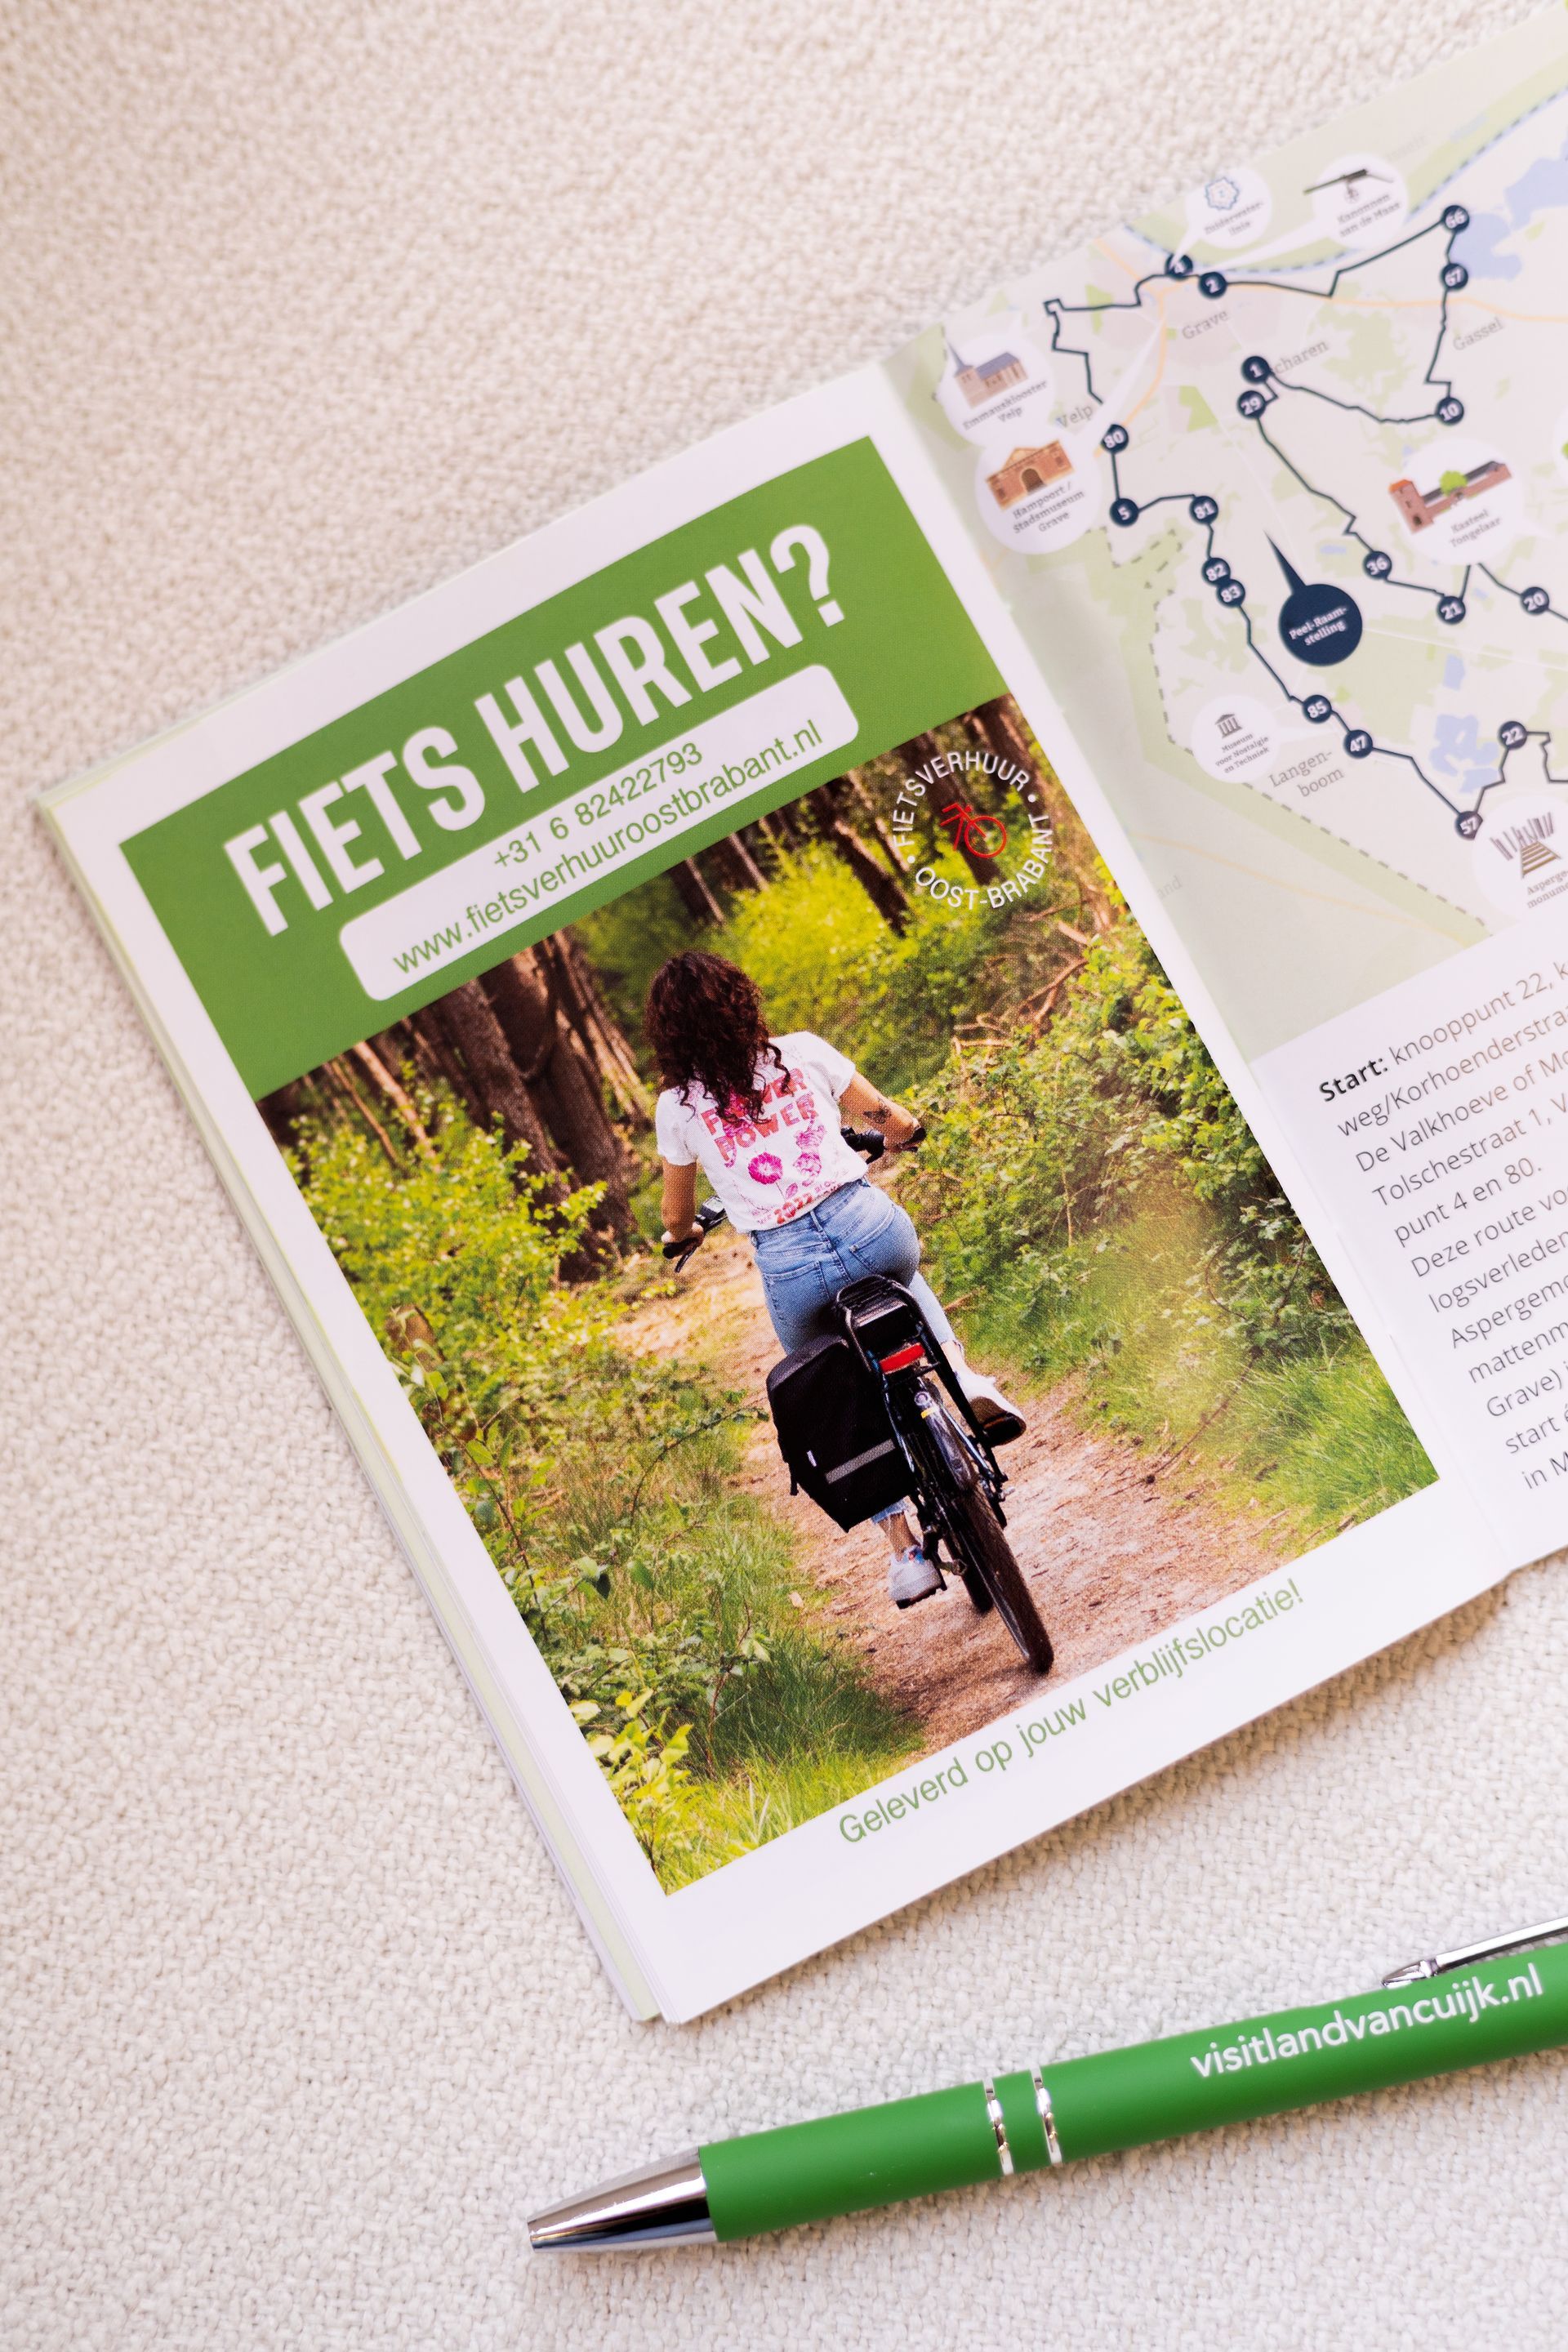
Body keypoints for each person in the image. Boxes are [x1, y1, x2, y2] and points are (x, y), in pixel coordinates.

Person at [645, 950, 1026, 1610]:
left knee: (832, 1382)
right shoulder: (803, 1052)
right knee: (905, 1280)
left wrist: (684, 1235)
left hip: (793, 1270)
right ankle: (964, 1381)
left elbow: (677, 1214)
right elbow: (883, 1115)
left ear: (667, 1034)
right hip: (869, 1226)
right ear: (743, 1001)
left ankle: (904, 1550)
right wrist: (905, 1132)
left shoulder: (676, 1109)